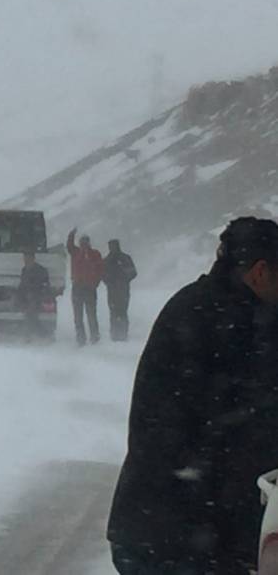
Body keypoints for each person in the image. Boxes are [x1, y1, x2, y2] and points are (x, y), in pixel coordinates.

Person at [107, 217, 278, 574]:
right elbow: (244, 430)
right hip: (180, 539)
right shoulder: (229, 324)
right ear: (261, 272)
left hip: (164, 529)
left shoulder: (205, 307)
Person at [66, 228, 104, 345]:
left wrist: (95, 283)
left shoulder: (95, 254)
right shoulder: (76, 252)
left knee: (91, 314)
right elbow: (69, 246)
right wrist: (71, 234)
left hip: (89, 287)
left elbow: (100, 270)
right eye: (82, 243)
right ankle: (81, 339)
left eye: (85, 242)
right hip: (78, 286)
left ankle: (94, 337)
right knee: (78, 316)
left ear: (89, 243)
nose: (84, 245)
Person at [103, 239, 138, 341]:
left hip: (117, 289)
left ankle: (118, 334)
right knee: (119, 312)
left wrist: (114, 281)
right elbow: (133, 273)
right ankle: (119, 334)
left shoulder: (108, 260)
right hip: (119, 289)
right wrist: (123, 280)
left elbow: (133, 273)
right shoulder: (123, 258)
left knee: (117, 311)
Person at [16, 250, 51, 342]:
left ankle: (32, 335)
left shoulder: (40, 270)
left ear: (33, 258)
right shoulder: (24, 270)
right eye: (25, 258)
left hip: (37, 296)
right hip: (26, 296)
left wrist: (37, 294)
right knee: (29, 315)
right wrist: (19, 295)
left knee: (30, 314)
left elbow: (44, 285)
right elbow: (22, 284)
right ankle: (41, 334)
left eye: (28, 258)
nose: (26, 260)